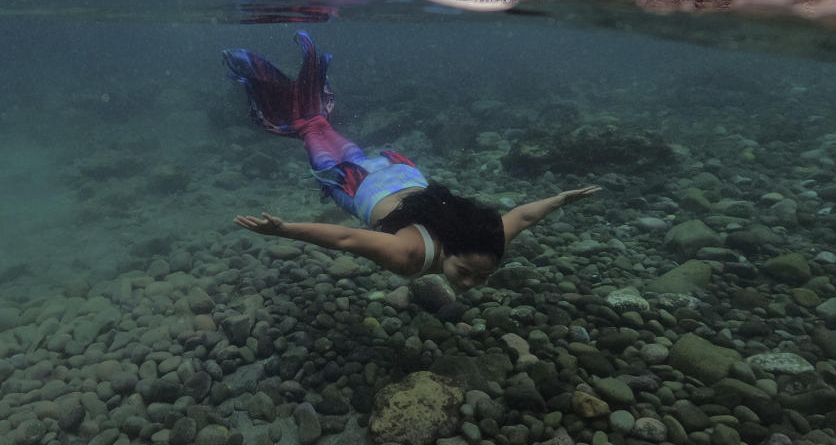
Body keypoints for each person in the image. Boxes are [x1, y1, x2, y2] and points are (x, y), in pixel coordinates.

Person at [225, 32, 600, 292]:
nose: (469, 283)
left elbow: (524, 217)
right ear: (449, 251)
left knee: (324, 128)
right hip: (358, 185)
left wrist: (562, 199)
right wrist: (283, 230)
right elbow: (344, 237)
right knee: (309, 131)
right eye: (466, 273)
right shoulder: (410, 256)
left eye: (481, 278)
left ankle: (306, 80)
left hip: (399, 171)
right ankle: (272, 78)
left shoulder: (484, 238)